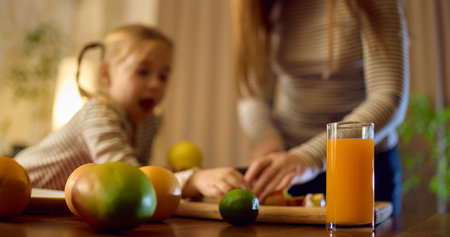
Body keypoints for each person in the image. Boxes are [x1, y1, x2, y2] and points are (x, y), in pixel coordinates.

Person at [15, 24, 246, 198]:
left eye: (163, 76)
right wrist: (192, 180)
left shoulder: (149, 123)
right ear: (106, 74)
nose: (156, 84)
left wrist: (167, 174)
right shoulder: (98, 114)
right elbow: (128, 178)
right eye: (143, 72)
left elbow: (137, 172)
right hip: (21, 188)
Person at [230, 0, 409, 213]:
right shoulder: (262, 7)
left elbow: (388, 97)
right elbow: (253, 96)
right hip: (289, 166)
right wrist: (267, 137)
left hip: (359, 165)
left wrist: (309, 156)